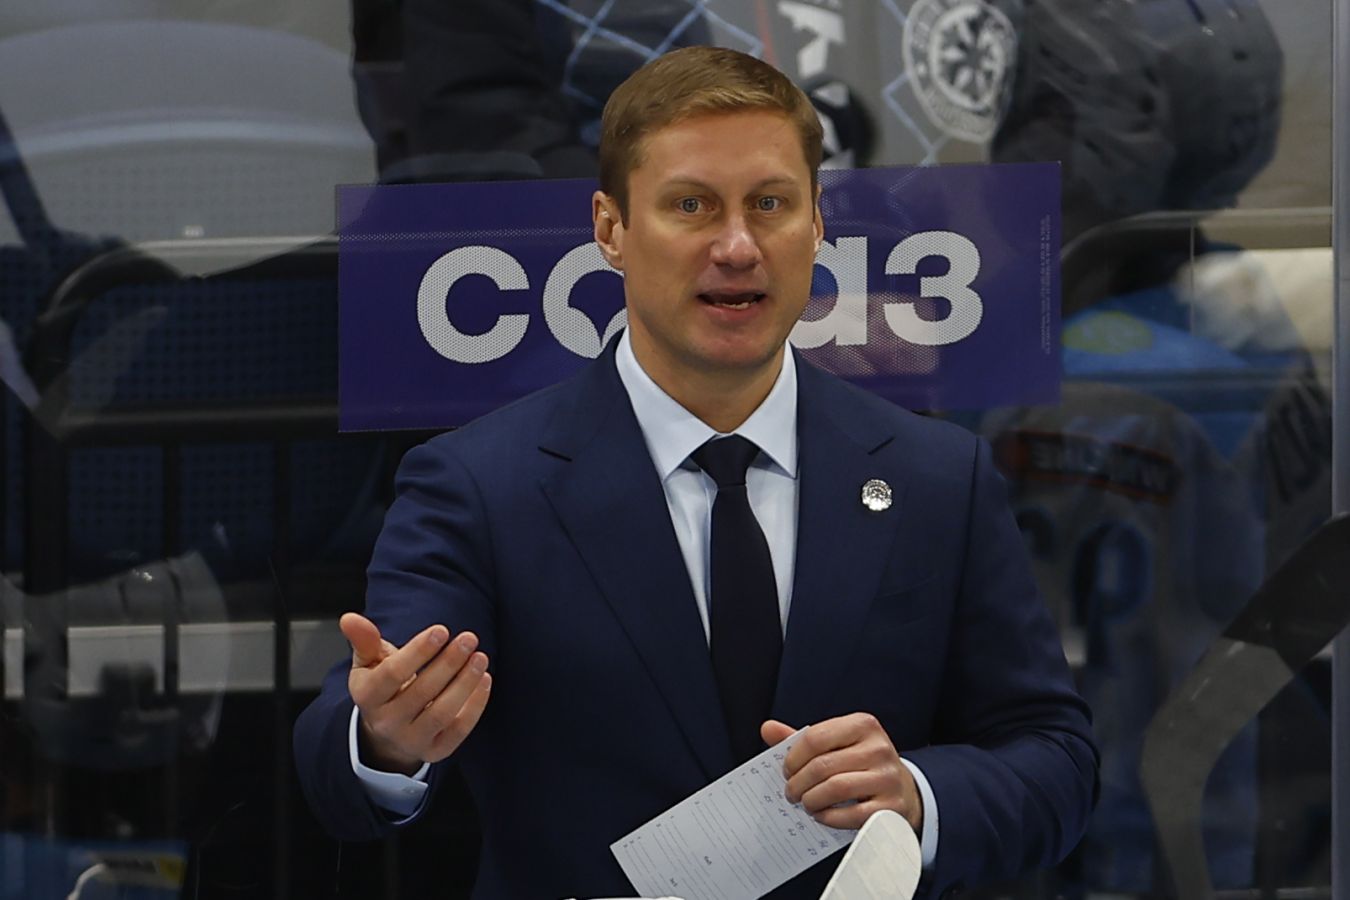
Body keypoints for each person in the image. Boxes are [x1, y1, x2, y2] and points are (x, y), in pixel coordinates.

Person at [294, 45, 1097, 900]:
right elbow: (340, 760)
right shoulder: (479, 485)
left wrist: (917, 797)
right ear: (611, 229)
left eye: (770, 204)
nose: (738, 246)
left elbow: (1054, 758)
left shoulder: (938, 477)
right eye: (691, 205)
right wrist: (385, 741)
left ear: (817, 224)